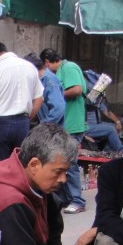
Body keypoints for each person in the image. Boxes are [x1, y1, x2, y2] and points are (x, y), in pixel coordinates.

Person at [0, 40, 43, 166]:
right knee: (20, 166)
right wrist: (28, 118)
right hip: (23, 123)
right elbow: (39, 99)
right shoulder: (30, 67)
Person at [40, 48, 88, 214]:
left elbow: (77, 89)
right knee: (60, 162)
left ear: (47, 62)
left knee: (70, 162)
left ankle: (77, 200)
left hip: (72, 124)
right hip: (65, 125)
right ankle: (65, 199)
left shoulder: (68, 67)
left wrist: (56, 94)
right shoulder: (61, 71)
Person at [81, 69, 123, 154]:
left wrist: (118, 122)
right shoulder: (82, 101)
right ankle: (122, 153)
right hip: (86, 127)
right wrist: (83, 135)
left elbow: (107, 112)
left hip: (96, 125)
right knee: (110, 130)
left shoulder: (95, 100)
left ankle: (107, 152)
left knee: (115, 127)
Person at [23, 53, 65, 126]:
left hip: (50, 131)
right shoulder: (39, 80)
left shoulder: (50, 80)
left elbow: (58, 109)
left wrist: (44, 126)